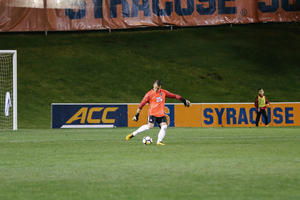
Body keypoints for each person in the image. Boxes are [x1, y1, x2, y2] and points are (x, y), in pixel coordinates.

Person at [126, 80, 191, 145]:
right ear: (153, 85)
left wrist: (183, 100)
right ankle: (133, 134)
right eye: (156, 87)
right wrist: (137, 114)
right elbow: (141, 104)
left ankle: (159, 141)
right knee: (149, 126)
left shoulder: (163, 92)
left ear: (160, 87)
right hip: (153, 113)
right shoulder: (149, 94)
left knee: (164, 126)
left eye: (158, 88)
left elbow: (174, 96)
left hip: (161, 114)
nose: (156, 89)